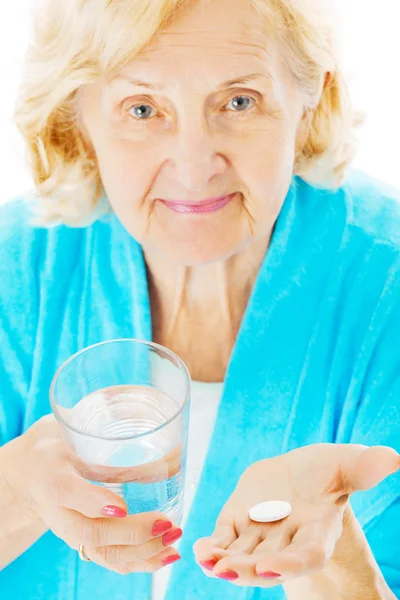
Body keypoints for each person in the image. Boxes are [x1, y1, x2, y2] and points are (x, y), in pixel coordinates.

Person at [0, 0, 399, 598]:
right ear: (76, 118)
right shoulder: (18, 270)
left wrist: (332, 558)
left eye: (239, 102)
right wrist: (14, 492)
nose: (194, 168)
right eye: (142, 108)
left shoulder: (385, 290)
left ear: (310, 96)